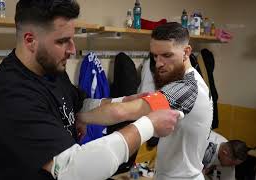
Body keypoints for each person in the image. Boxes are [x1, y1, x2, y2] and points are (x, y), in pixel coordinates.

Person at [0, 0, 180, 180]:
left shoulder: (51, 70)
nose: (73, 50)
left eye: (72, 38)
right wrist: (148, 126)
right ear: (30, 40)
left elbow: (81, 104)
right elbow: (75, 171)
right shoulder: (9, 95)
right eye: (62, 41)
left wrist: (126, 101)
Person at [78, 22, 213, 180]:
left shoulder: (185, 89)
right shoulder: (192, 81)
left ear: (186, 52)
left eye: (167, 55)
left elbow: (120, 112)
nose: (159, 63)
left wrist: (81, 118)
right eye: (155, 56)